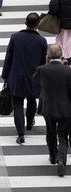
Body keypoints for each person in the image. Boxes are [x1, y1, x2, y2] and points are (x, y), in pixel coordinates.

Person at [1, 13, 48, 144]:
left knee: (18, 104)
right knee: (32, 100)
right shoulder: (42, 41)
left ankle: (21, 134)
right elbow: (43, 62)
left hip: (17, 76)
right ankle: (29, 123)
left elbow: (8, 58)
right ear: (38, 25)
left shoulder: (15, 37)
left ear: (25, 22)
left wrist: (5, 75)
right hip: (34, 77)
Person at [33, 44, 71, 176]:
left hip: (48, 107)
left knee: (50, 131)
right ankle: (61, 160)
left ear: (48, 56)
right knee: (63, 136)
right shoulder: (68, 71)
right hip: (65, 108)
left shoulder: (42, 69)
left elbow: (35, 80)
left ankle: (52, 156)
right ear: (61, 56)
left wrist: (45, 63)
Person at [49, 0, 71, 65]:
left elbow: (53, 6)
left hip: (62, 23)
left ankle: (64, 57)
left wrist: (52, 14)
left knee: (62, 40)